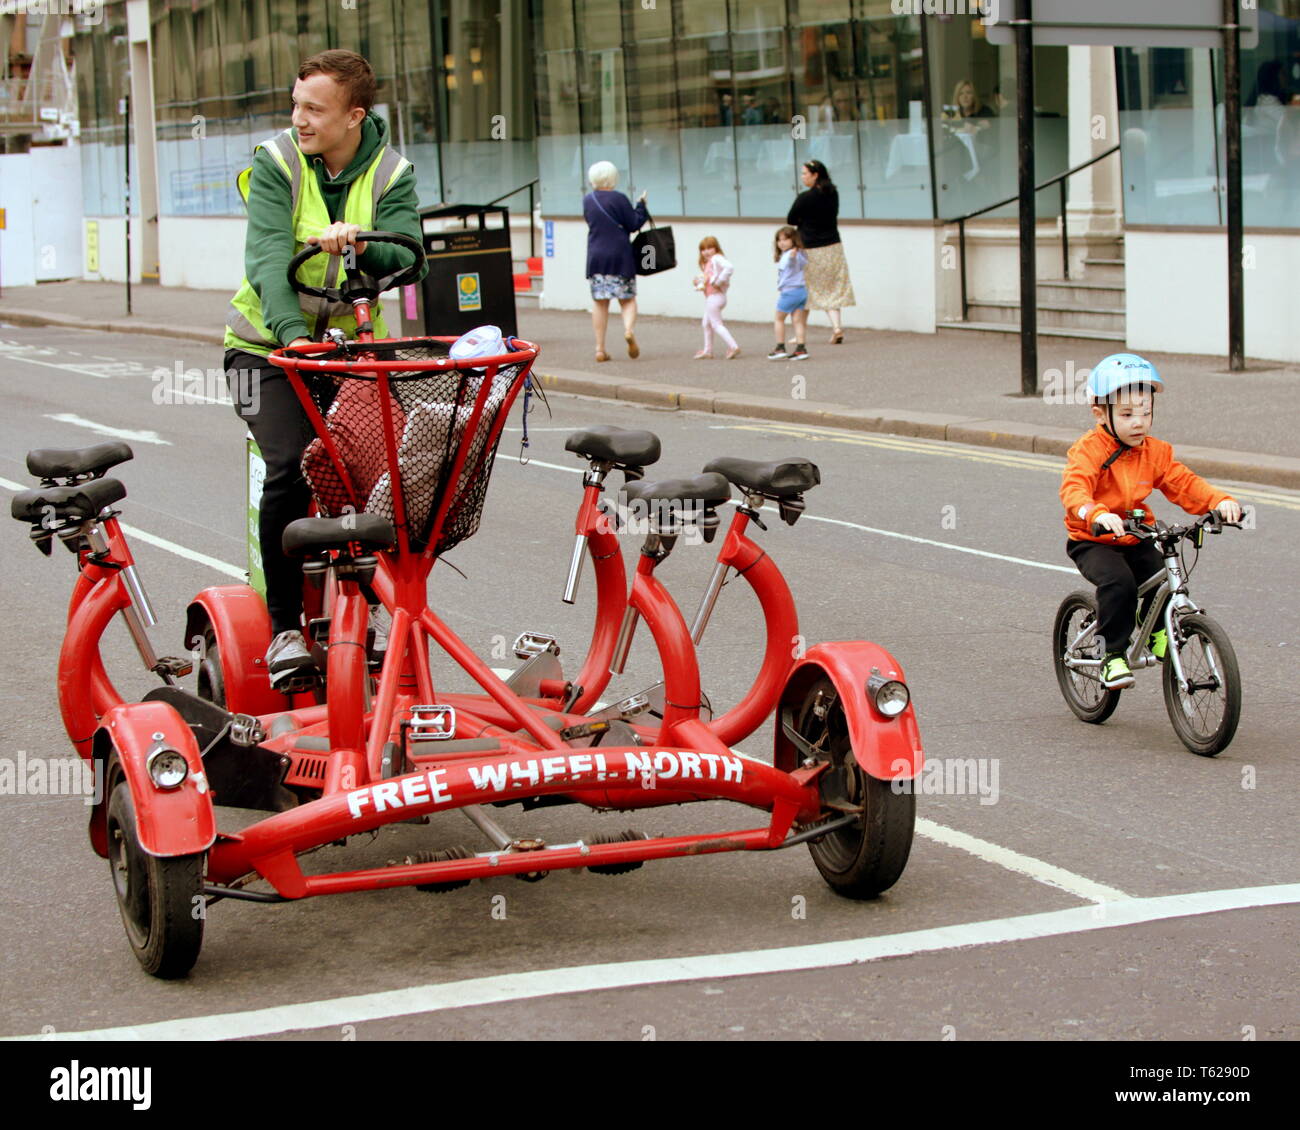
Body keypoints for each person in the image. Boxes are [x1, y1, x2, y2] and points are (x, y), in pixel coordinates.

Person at [223, 49, 425, 690]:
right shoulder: (277, 162)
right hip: (265, 353)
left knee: (384, 477)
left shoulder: (391, 172)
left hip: (354, 353)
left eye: (314, 109)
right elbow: (267, 258)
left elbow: (409, 252)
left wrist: (361, 238)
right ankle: (285, 626)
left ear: (354, 117)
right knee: (290, 464)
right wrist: (291, 338)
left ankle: (373, 613)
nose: (298, 119)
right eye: (295, 104)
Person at [1059, 354, 1241, 689]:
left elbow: (1183, 483)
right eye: (1127, 414)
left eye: (1146, 411)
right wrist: (1096, 514)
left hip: (1135, 534)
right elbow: (1074, 490)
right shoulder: (1089, 451)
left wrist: (1219, 501)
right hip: (1093, 540)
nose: (1139, 422)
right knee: (1119, 583)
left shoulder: (1154, 452)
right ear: (1101, 413)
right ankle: (1111, 655)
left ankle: (1156, 627)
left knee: (1164, 574)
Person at [582, 160, 647, 363]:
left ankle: (600, 349)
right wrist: (641, 206)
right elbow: (634, 223)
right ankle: (628, 331)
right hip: (620, 255)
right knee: (627, 299)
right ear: (612, 178)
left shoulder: (588, 200)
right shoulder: (619, 198)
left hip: (596, 256)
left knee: (600, 303)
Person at [786, 160, 855, 344]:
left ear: (815, 175)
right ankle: (836, 327)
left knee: (807, 288)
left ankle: (801, 333)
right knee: (831, 288)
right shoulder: (832, 194)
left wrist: (804, 219)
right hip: (833, 246)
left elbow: (791, 218)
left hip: (811, 247)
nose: (802, 178)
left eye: (804, 174)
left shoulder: (805, 197)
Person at [692, 236, 740, 360]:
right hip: (712, 297)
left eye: (709, 248)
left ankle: (733, 346)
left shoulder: (717, 258)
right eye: (703, 249)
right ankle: (708, 350)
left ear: (716, 248)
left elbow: (729, 267)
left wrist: (718, 282)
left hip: (715, 297)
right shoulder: (708, 263)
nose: (706, 252)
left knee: (716, 325)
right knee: (706, 323)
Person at [767, 225, 808, 361]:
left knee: (779, 318)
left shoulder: (792, 255)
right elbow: (803, 263)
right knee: (797, 321)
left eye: (785, 239)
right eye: (779, 240)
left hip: (790, 292)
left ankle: (780, 348)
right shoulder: (800, 253)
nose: (781, 243)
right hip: (801, 291)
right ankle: (801, 349)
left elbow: (791, 263)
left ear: (793, 240)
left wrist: (792, 257)